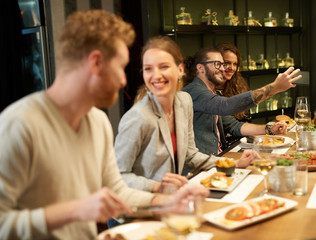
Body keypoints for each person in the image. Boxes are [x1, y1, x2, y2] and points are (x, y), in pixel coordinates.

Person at [0, 10, 209, 239]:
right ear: (96, 63)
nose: (123, 80)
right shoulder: (20, 124)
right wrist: (75, 210)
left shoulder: (97, 122)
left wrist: (167, 201)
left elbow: (117, 190)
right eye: (120, 67)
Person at [114, 36, 256, 193]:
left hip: (174, 198)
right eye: (148, 69)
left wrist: (232, 164)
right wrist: (158, 187)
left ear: (180, 70)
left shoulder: (184, 101)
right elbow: (119, 177)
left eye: (163, 67)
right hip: (141, 208)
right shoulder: (137, 116)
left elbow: (190, 155)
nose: (156, 75)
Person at [182, 47, 302, 155]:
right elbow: (226, 106)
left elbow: (234, 126)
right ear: (200, 68)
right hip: (202, 165)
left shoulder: (212, 93)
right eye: (218, 64)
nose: (223, 69)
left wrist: (270, 129)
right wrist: (274, 88)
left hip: (219, 157)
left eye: (223, 64)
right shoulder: (193, 91)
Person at [215, 43, 251, 122]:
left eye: (235, 64)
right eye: (227, 63)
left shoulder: (239, 86)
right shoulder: (207, 89)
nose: (232, 68)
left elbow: (246, 119)